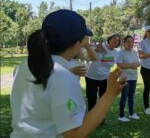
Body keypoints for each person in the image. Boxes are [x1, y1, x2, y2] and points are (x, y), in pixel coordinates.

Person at [10, 9, 126, 137]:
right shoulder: (62, 76)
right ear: (77, 43)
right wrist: (109, 95)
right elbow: (74, 135)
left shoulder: (24, 65)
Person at [85, 33, 121, 123]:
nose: (115, 41)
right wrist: (96, 50)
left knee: (103, 98)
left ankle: (101, 118)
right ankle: (92, 118)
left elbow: (110, 64)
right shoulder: (100, 46)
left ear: (118, 44)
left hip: (104, 78)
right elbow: (91, 56)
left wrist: (102, 53)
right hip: (91, 77)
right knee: (92, 98)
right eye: (114, 39)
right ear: (109, 39)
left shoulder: (116, 53)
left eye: (117, 41)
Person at [117, 35, 141, 122]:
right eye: (128, 42)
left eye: (132, 42)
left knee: (131, 96)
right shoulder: (121, 53)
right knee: (124, 97)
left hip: (133, 77)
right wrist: (131, 65)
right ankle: (121, 115)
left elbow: (138, 63)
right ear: (124, 43)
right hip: (125, 78)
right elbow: (119, 65)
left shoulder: (134, 52)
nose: (130, 43)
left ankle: (131, 114)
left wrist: (131, 65)